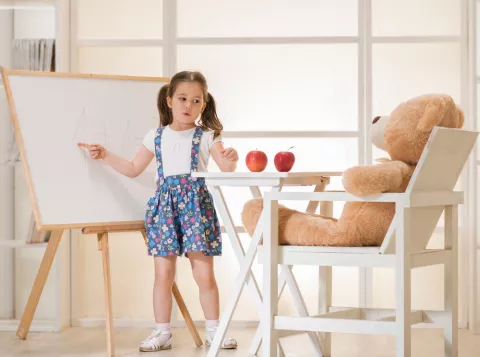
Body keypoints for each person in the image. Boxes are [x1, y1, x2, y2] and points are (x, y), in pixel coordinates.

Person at [78, 71, 239, 352]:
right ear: (169, 101)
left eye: (196, 100)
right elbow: (132, 168)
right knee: (163, 275)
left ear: (204, 105)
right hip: (164, 211)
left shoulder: (208, 136)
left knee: (204, 275)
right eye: (182, 98)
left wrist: (230, 160)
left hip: (196, 211)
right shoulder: (156, 136)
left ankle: (215, 330)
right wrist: (105, 155)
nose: (188, 105)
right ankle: (162, 332)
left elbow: (226, 168)